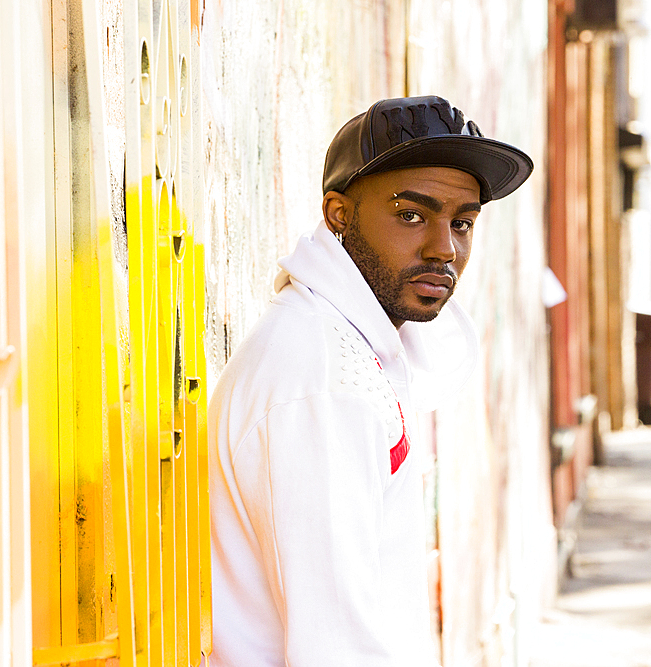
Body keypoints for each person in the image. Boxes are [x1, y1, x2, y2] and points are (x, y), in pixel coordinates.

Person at [207, 95, 533, 666]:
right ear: (339, 213)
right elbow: (336, 645)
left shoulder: (350, 347)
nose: (444, 249)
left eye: (462, 223)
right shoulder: (324, 379)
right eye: (412, 214)